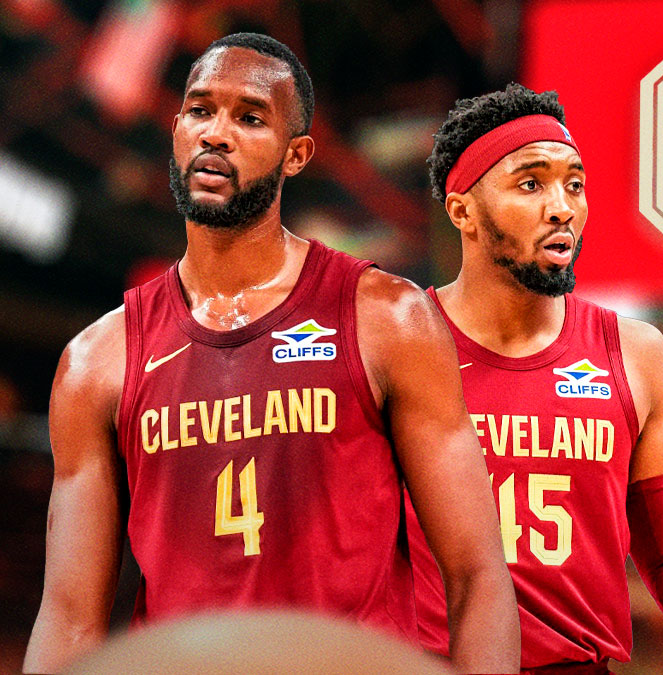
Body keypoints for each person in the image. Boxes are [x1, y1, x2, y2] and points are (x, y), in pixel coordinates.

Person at [24, 33, 519, 674]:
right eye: (200, 111)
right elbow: (69, 616)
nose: (217, 134)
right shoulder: (97, 361)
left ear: (296, 155)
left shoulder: (386, 319)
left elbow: (478, 574)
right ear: (175, 129)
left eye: (250, 117)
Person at [405, 84, 663, 673]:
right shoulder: (398, 343)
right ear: (462, 211)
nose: (562, 207)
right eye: (531, 184)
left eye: (574, 184)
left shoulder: (633, 353)